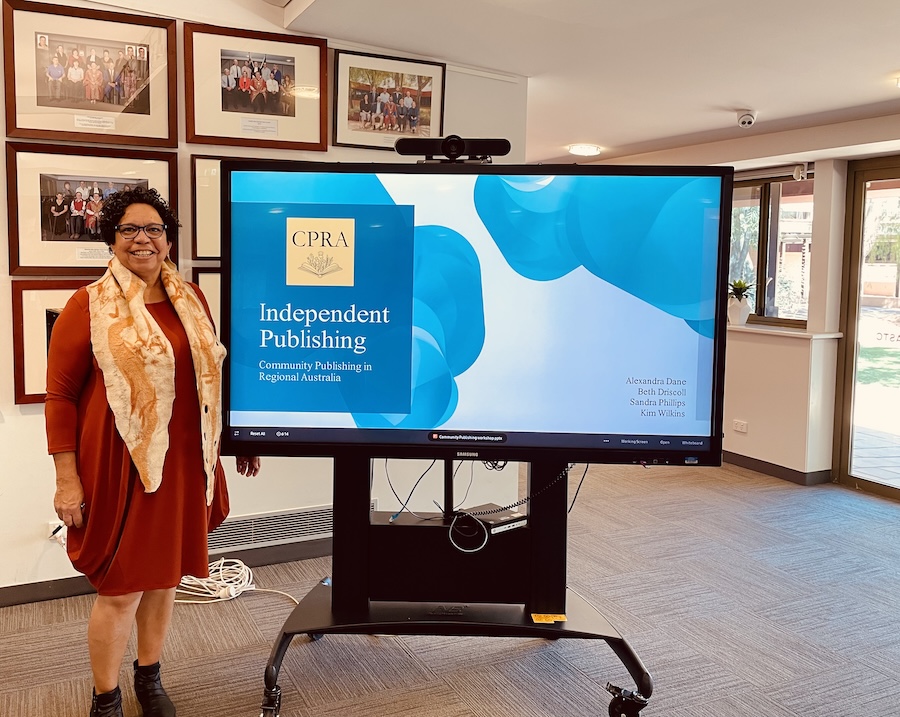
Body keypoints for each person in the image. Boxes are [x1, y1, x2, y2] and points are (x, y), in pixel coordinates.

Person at [45, 186, 261, 717]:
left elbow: (209, 376)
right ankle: (106, 698)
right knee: (121, 587)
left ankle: (149, 677)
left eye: (154, 230)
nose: (143, 239)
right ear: (112, 240)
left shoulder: (191, 298)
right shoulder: (86, 305)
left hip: (186, 459)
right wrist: (66, 479)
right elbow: (60, 395)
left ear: (168, 240)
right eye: (130, 230)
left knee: (165, 576)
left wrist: (234, 439)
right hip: (123, 468)